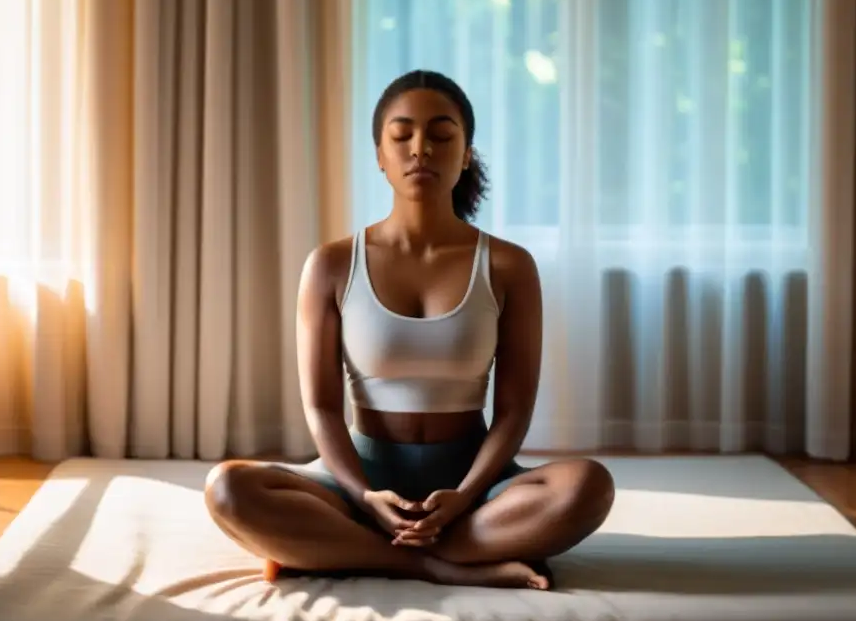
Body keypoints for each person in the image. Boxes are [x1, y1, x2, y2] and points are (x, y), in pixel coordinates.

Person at [205, 70, 615, 591]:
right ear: (380, 155)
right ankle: (436, 563)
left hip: (470, 484)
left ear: (466, 154)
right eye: (402, 136)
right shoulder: (331, 264)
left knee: (587, 487)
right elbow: (323, 407)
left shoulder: (510, 265)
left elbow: (513, 410)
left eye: (442, 136)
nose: (420, 148)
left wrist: (466, 496)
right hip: (361, 480)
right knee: (228, 489)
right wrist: (362, 496)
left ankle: (338, 549)